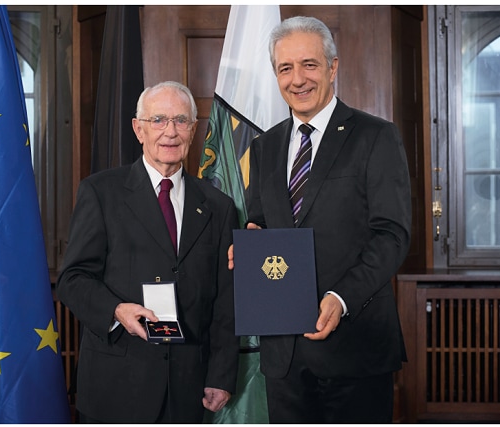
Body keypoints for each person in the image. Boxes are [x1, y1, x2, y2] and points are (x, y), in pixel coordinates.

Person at [237, 16, 412, 423]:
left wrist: (340, 298)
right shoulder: (264, 147)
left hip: (356, 348)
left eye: (309, 65)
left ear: (332, 68)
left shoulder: (375, 136)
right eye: (285, 68)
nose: (297, 79)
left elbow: (392, 235)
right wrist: (249, 245)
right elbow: (260, 221)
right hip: (284, 354)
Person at [57, 81, 239, 423]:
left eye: (181, 121)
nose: (170, 131)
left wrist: (221, 374)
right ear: (138, 129)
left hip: (189, 389)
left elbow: (225, 301)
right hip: (117, 386)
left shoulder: (218, 206)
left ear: (193, 130)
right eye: (158, 120)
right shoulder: (101, 192)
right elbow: (72, 279)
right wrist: (116, 311)